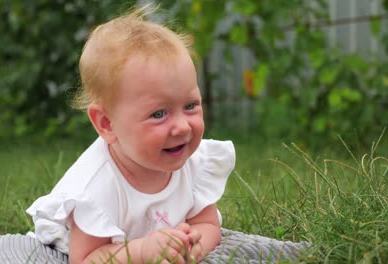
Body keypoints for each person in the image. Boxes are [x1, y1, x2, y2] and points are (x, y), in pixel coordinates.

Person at [26, 5, 235, 264]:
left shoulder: (193, 163)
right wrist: (143, 252)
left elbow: (208, 225)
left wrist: (192, 246)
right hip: (74, 247)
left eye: (190, 105)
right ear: (107, 124)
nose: (182, 127)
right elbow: (87, 258)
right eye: (159, 114)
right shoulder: (96, 187)